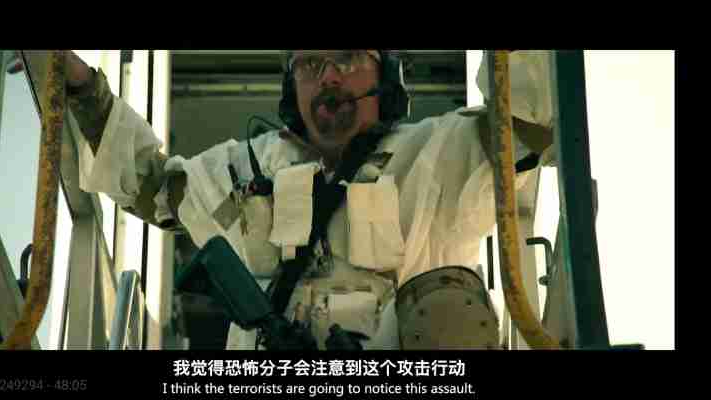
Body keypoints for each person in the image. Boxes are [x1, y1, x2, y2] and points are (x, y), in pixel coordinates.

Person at [64, 50, 555, 350]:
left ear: (385, 75)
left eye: (346, 59)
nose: (328, 77)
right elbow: (152, 185)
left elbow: (529, 121)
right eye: (309, 65)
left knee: (452, 308)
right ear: (291, 85)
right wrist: (82, 87)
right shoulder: (247, 166)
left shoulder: (442, 152)